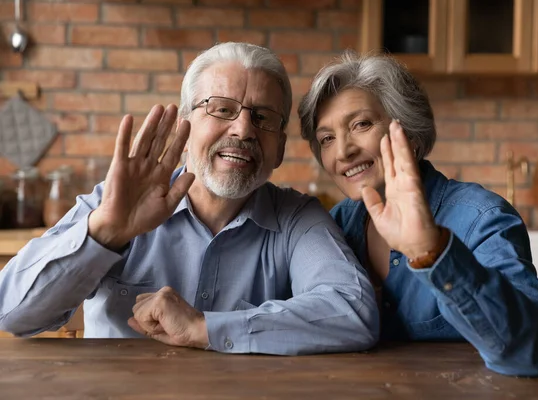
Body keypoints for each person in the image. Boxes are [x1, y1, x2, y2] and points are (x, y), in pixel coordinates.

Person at [0, 43, 379, 355]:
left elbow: (354, 312)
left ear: (279, 147)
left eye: (263, 117)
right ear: (186, 123)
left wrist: (204, 327)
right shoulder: (115, 202)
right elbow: (12, 314)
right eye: (222, 109)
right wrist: (104, 232)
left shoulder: (297, 218)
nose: (244, 129)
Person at [298, 52, 538, 376]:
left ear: (408, 132)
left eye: (361, 124)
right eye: (327, 139)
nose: (343, 151)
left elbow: (535, 352)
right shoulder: (335, 225)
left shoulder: (482, 218)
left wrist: (432, 251)